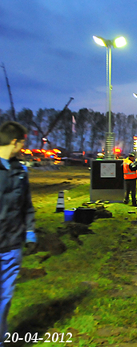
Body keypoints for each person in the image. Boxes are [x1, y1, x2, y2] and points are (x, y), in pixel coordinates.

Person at [0, 121, 35, 340]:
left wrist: (30, 233)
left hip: (11, 246)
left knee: (5, 297)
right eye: (22, 142)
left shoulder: (20, 171)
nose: (23, 147)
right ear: (15, 142)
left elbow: (27, 206)